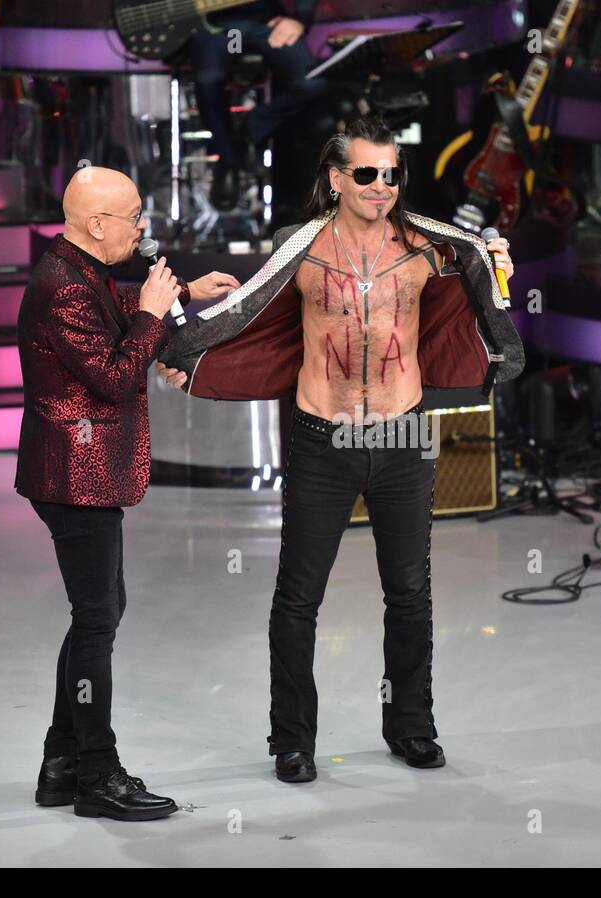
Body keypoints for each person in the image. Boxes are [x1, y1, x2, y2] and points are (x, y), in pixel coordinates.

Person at [154, 116, 524, 782]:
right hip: (322, 437)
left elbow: (480, 271)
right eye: (366, 174)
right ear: (335, 178)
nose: (381, 187)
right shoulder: (298, 247)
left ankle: (411, 724)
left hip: (404, 434)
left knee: (410, 592)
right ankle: (292, 740)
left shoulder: (426, 248)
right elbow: (247, 310)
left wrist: (497, 268)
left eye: (391, 174)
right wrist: (188, 349)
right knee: (299, 597)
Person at [15, 166, 239, 819]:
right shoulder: (61, 286)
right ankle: (98, 775)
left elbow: (118, 334)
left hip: (77, 469)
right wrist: (148, 312)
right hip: (73, 474)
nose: (143, 226)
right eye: (134, 215)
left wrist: (177, 298)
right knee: (97, 620)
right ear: (96, 224)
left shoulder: (79, 267)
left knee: (98, 611)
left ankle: (62, 764)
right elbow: (115, 375)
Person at [188, 0, 326, 209]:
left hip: (266, 24)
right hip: (222, 28)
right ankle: (229, 158)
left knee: (310, 83)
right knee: (208, 78)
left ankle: (250, 129)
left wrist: (299, 19)